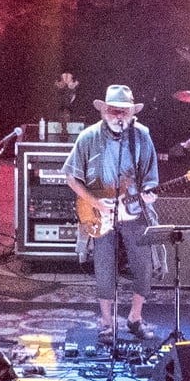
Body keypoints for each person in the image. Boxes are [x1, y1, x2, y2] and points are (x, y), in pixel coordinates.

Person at [67, 84, 160, 345]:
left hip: (133, 209)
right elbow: (71, 176)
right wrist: (95, 201)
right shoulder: (88, 137)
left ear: (131, 113)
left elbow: (151, 178)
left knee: (143, 263)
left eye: (123, 111)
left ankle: (135, 317)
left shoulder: (142, 136)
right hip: (100, 212)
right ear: (104, 111)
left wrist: (149, 192)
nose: (119, 116)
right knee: (104, 266)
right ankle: (106, 323)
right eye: (114, 111)